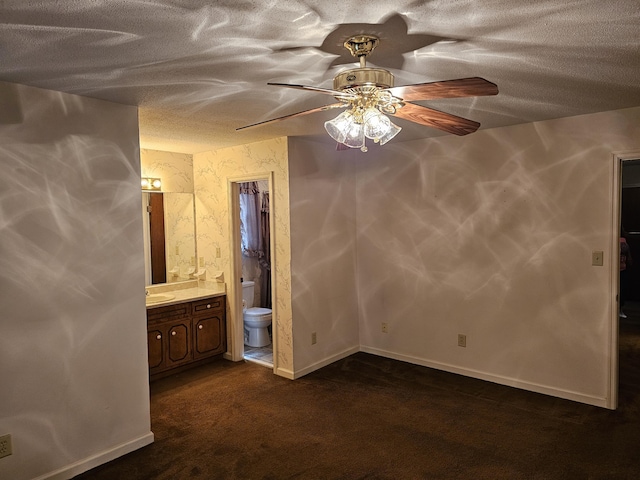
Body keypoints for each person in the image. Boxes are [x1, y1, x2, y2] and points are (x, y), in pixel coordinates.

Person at [620, 227, 632, 318]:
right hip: (615, 269)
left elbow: (626, 252)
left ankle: (620, 309)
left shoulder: (623, 240)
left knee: (623, 289)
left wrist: (629, 259)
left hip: (623, 267)